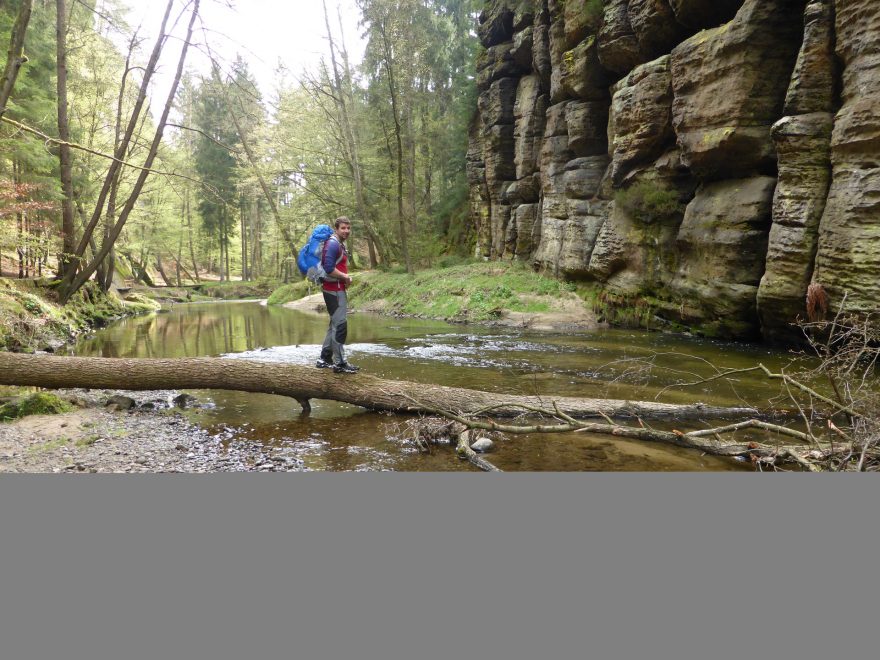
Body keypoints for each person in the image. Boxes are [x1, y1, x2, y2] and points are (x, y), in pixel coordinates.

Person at [315, 216, 359, 374]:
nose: (346, 231)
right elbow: (328, 268)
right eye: (343, 228)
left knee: (334, 324)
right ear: (336, 228)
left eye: (348, 228)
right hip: (334, 290)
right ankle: (340, 363)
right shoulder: (333, 244)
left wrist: (344, 278)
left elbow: (335, 266)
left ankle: (324, 358)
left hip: (334, 288)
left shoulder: (338, 243)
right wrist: (345, 277)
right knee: (340, 327)